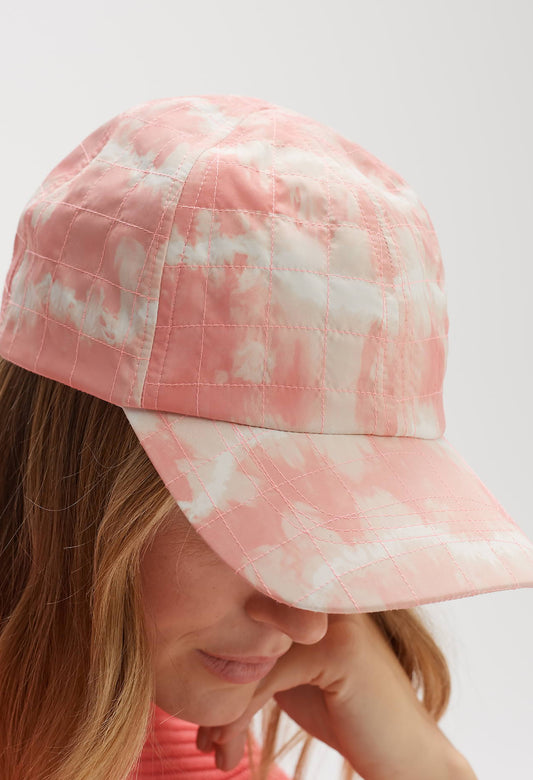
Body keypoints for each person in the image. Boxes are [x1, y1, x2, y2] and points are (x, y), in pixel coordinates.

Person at [0, 94, 531, 780]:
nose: (310, 623)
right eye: (252, 521)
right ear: (77, 472)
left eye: (343, 528)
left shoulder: (172, 744)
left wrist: (423, 762)